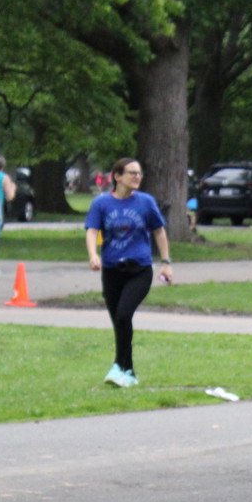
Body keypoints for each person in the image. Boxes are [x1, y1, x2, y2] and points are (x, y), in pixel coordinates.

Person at [84, 158, 172, 387]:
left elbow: (159, 231)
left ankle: (117, 366)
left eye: (139, 173)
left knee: (123, 315)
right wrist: (93, 255)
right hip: (112, 270)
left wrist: (166, 262)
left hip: (139, 270)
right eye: (132, 173)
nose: (137, 177)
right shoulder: (101, 203)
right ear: (117, 176)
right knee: (120, 322)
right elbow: (92, 230)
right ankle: (129, 372)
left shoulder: (145, 202)